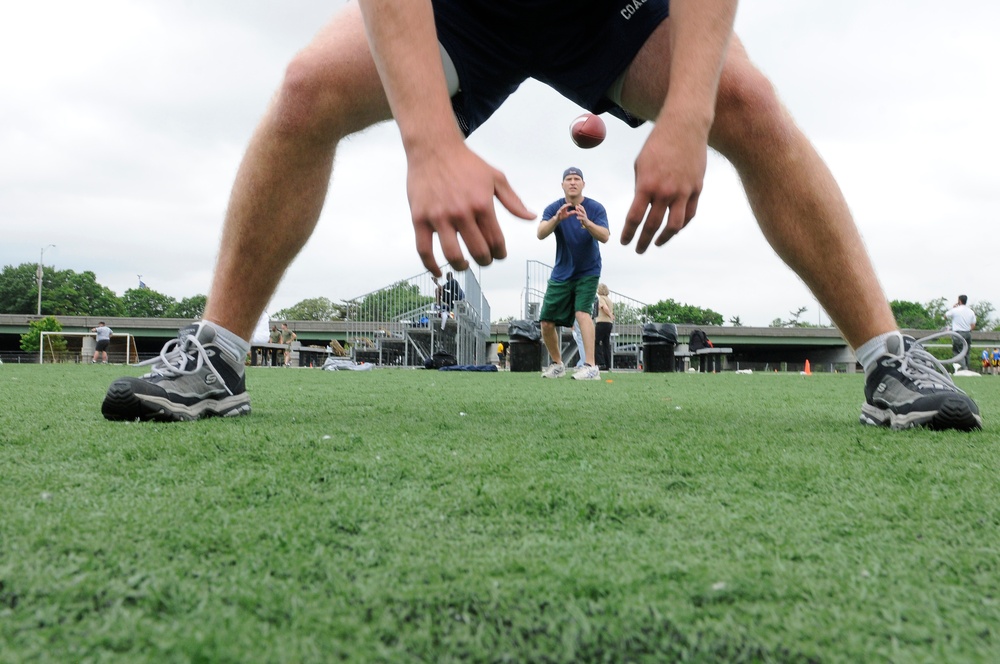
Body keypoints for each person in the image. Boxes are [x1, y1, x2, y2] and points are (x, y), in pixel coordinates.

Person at [101, 0, 981, 430]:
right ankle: (216, 356)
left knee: (747, 98)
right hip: (469, 5)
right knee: (303, 90)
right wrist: (427, 140)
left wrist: (689, 115)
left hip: (607, 5)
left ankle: (887, 359)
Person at [537, 167, 609, 381]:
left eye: (577, 179)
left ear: (583, 184)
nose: (572, 182)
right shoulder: (554, 208)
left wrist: (587, 223)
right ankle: (558, 364)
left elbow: (605, 236)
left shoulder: (595, 208)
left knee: (582, 313)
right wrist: (557, 219)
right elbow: (540, 233)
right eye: (568, 179)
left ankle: (591, 366)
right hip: (562, 272)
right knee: (546, 322)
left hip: (588, 270)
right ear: (562, 185)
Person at [943, 295, 976, 370]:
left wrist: (953, 308)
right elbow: (973, 325)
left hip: (958, 333)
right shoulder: (971, 311)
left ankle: (963, 368)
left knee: (958, 351)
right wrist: (968, 330)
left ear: (959, 301)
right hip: (967, 333)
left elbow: (945, 316)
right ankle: (967, 367)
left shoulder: (955, 310)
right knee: (966, 351)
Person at [594, 283, 615, 371]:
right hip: (609, 323)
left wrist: (609, 314)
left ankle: (600, 363)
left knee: (596, 342)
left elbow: (604, 308)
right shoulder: (609, 300)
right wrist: (611, 316)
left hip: (601, 322)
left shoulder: (601, 298)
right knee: (606, 344)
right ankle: (607, 364)